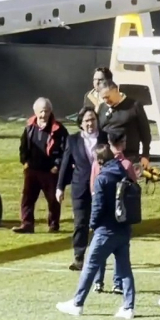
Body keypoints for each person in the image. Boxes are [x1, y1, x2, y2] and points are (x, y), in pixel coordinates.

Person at [57, 144, 138, 320]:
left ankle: (77, 303)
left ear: (100, 161)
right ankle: (128, 307)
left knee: (90, 266)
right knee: (124, 268)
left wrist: (92, 225)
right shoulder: (123, 172)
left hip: (105, 230)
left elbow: (98, 206)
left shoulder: (102, 178)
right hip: (123, 228)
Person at [88, 130, 139, 294]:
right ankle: (117, 283)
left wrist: (93, 217)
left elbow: (93, 187)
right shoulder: (125, 165)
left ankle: (98, 282)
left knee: (99, 249)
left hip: (102, 212)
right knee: (120, 251)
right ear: (121, 142)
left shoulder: (99, 162)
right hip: (120, 213)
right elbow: (133, 189)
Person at [15, 97, 68, 234]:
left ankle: (53, 225)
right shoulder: (29, 127)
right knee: (27, 199)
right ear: (35, 112)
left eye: (47, 111)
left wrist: (57, 166)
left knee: (53, 200)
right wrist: (25, 162)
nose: (44, 114)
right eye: (41, 111)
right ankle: (27, 224)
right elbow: (23, 147)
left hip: (50, 171)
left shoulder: (59, 129)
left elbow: (66, 151)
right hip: (32, 169)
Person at [56, 106, 100, 270]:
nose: (90, 123)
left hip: (101, 187)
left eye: (93, 120)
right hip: (80, 187)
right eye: (87, 120)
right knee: (80, 222)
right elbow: (65, 163)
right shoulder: (73, 140)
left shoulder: (105, 138)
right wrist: (60, 187)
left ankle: (99, 255)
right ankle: (79, 257)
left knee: (100, 222)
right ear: (81, 123)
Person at [96, 79, 151, 175]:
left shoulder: (134, 106)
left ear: (116, 90)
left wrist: (145, 155)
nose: (106, 100)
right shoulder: (102, 108)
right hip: (106, 158)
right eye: (103, 98)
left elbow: (145, 132)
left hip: (128, 156)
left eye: (108, 97)